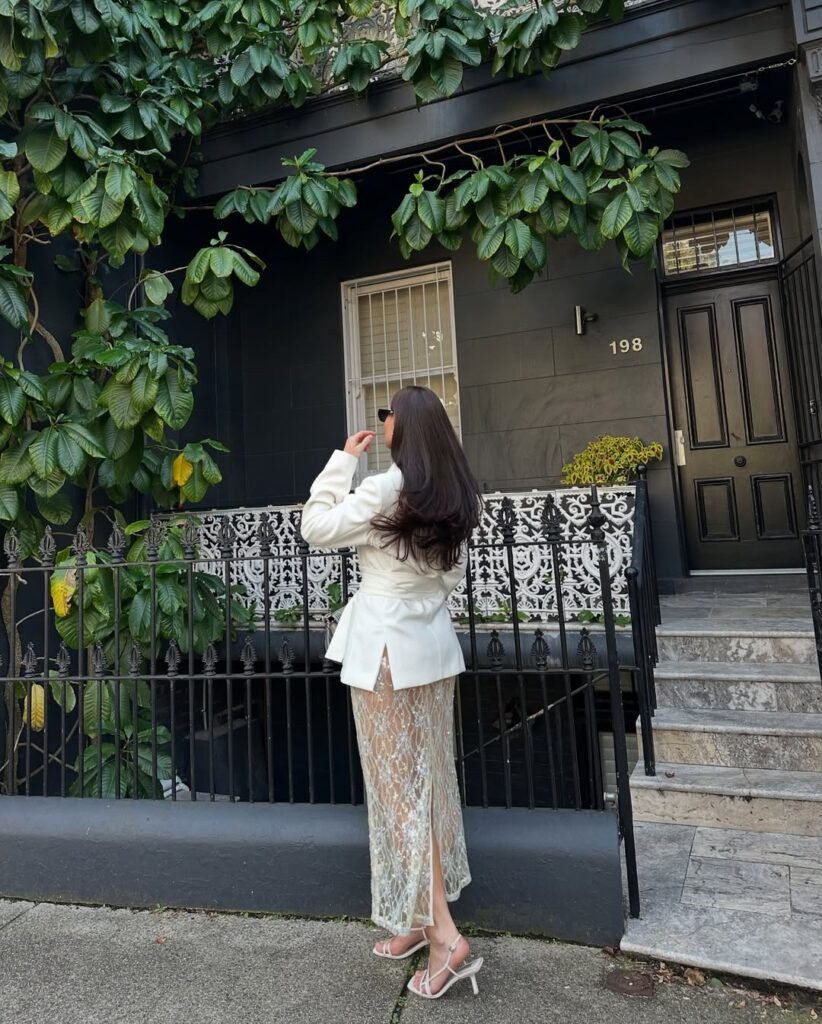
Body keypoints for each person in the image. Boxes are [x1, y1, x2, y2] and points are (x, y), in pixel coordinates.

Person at [300, 384, 484, 1000]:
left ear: (401, 429)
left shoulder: (386, 488)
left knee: (399, 796)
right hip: (430, 651)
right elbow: (451, 578)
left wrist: (342, 462)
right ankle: (414, 919)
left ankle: (444, 938)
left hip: (383, 654)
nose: (381, 424)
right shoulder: (453, 495)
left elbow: (315, 527)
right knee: (425, 788)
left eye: (387, 417)